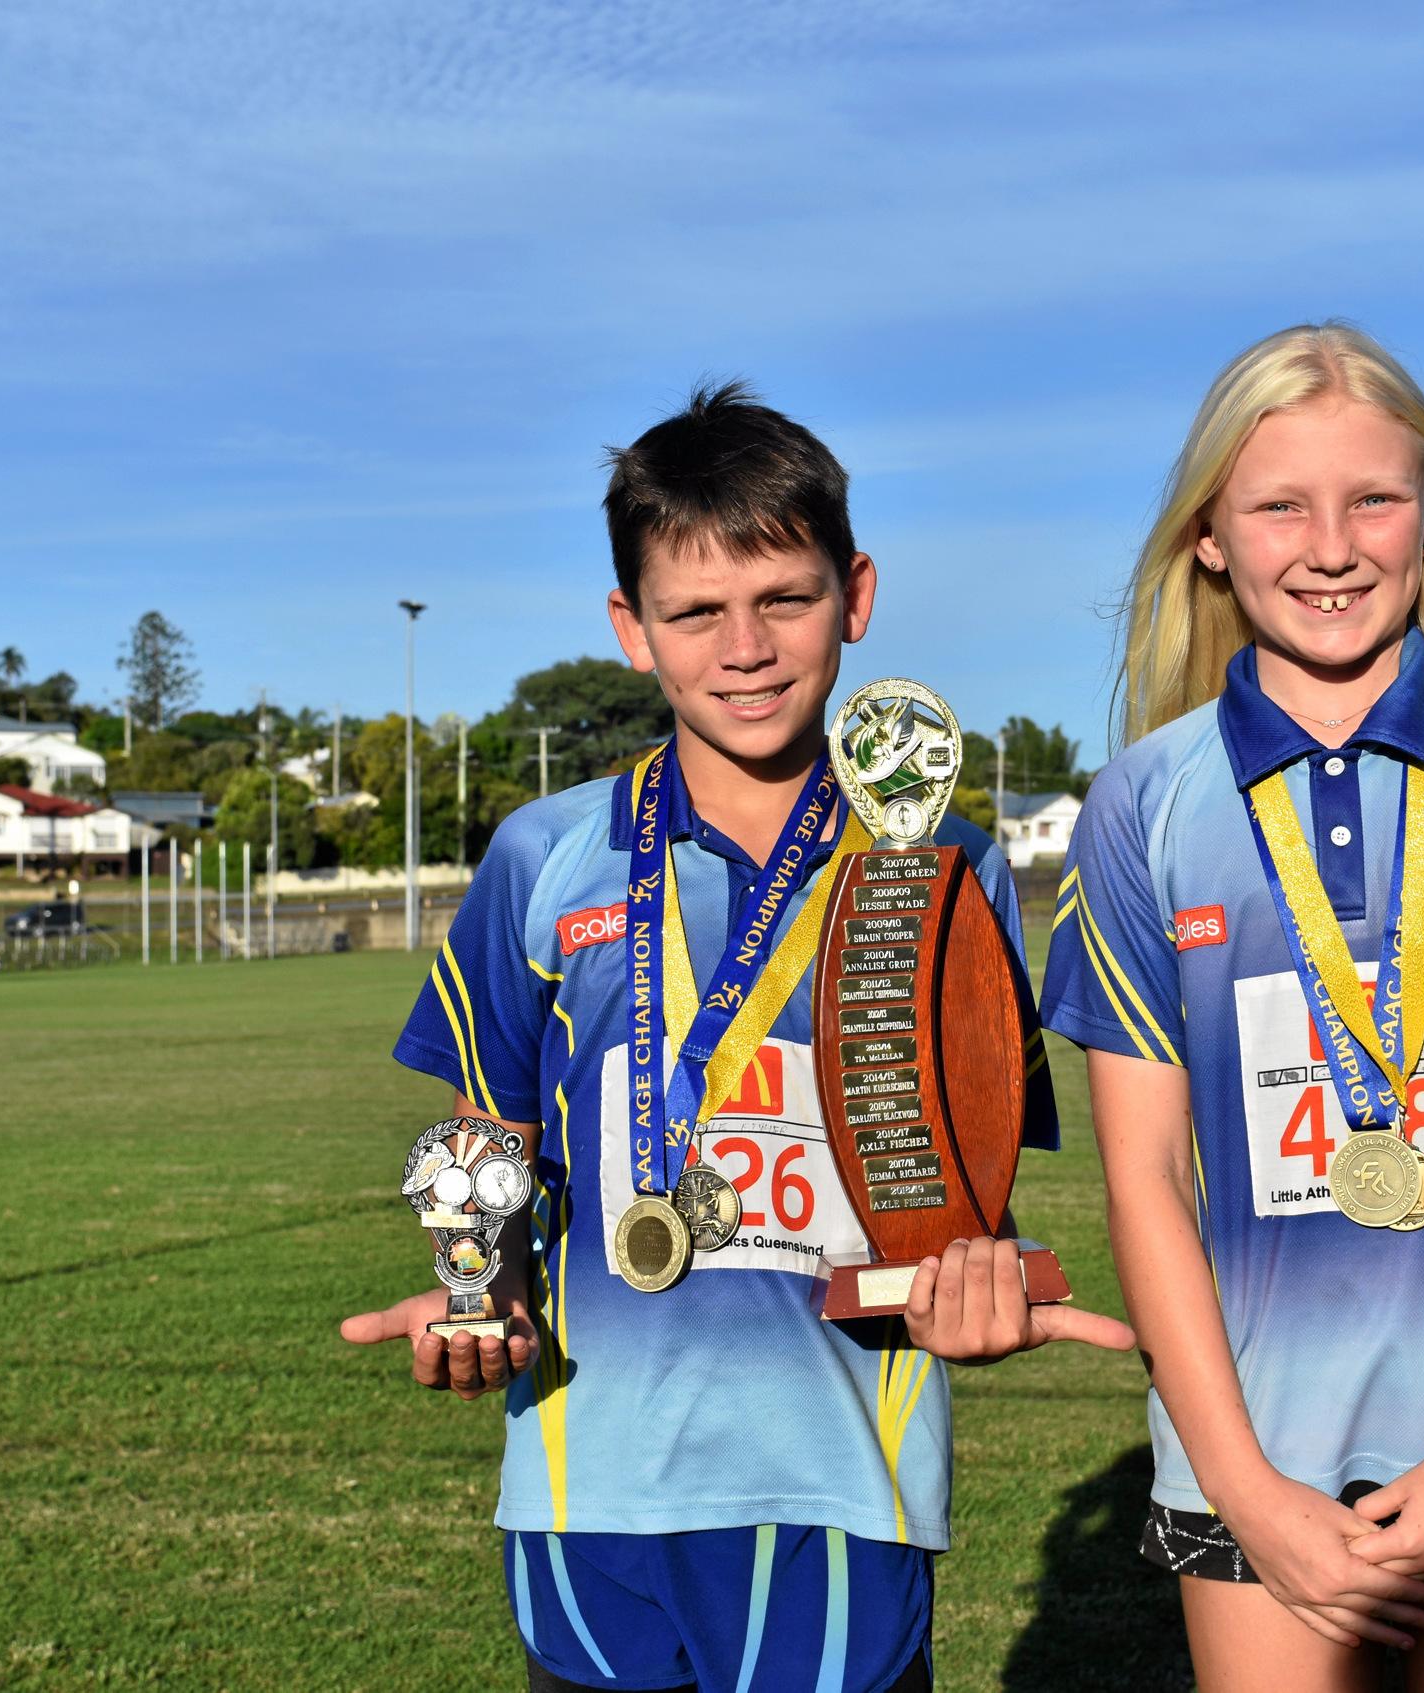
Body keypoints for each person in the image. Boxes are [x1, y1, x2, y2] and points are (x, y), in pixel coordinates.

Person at [343, 381, 1132, 1693]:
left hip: (836, 1474)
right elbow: (493, 1139)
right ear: (630, 628)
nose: (746, 646)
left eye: (784, 598)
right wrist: (486, 1291)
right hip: (583, 1475)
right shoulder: (547, 856)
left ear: (855, 592)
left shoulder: (944, 861)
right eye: (695, 610)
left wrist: (970, 1282)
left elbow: (966, 1168)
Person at [1039, 323, 1424, 1692]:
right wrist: (1247, 1490)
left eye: (1372, 499)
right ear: (1209, 533)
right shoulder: (1140, 805)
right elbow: (1141, 1175)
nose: (1329, 545)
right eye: (1278, 504)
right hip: (1255, 1448)